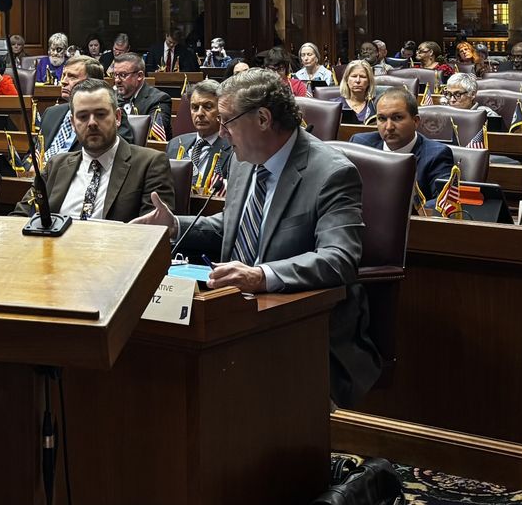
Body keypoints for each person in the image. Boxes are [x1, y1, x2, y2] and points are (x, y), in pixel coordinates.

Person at [131, 69, 380, 408]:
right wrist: (176, 225)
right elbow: (233, 226)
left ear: (262, 119)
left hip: (302, 328)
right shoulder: (242, 160)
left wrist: (262, 275)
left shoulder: (331, 173)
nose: (220, 132)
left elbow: (338, 258)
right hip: (234, 312)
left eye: (226, 121)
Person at [19, 80, 171, 222]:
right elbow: (19, 216)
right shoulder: (56, 165)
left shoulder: (150, 164)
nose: (92, 123)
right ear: (73, 123)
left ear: (117, 117)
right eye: (83, 116)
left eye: (100, 114)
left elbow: (153, 231)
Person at [349, 85, 454, 201]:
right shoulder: (360, 145)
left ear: (415, 121)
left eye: (397, 117)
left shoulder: (436, 155)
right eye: (382, 119)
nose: (389, 127)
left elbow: (442, 202)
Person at [37, 56, 137, 155]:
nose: (63, 81)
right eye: (64, 75)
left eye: (72, 76)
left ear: (92, 82)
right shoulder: (51, 113)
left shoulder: (110, 116)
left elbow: (121, 156)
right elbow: (32, 153)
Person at [167, 80, 232, 194]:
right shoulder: (175, 144)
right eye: (195, 107)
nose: (199, 113)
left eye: (208, 107)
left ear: (221, 110)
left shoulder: (233, 149)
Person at [110, 52, 172, 132]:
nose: (117, 80)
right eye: (115, 75)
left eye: (123, 75)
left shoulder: (159, 99)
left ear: (139, 76)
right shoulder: (111, 97)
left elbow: (149, 134)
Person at [335, 59, 378, 124]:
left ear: (369, 81)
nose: (358, 80)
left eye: (362, 77)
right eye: (354, 76)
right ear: (346, 80)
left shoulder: (375, 106)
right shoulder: (334, 105)